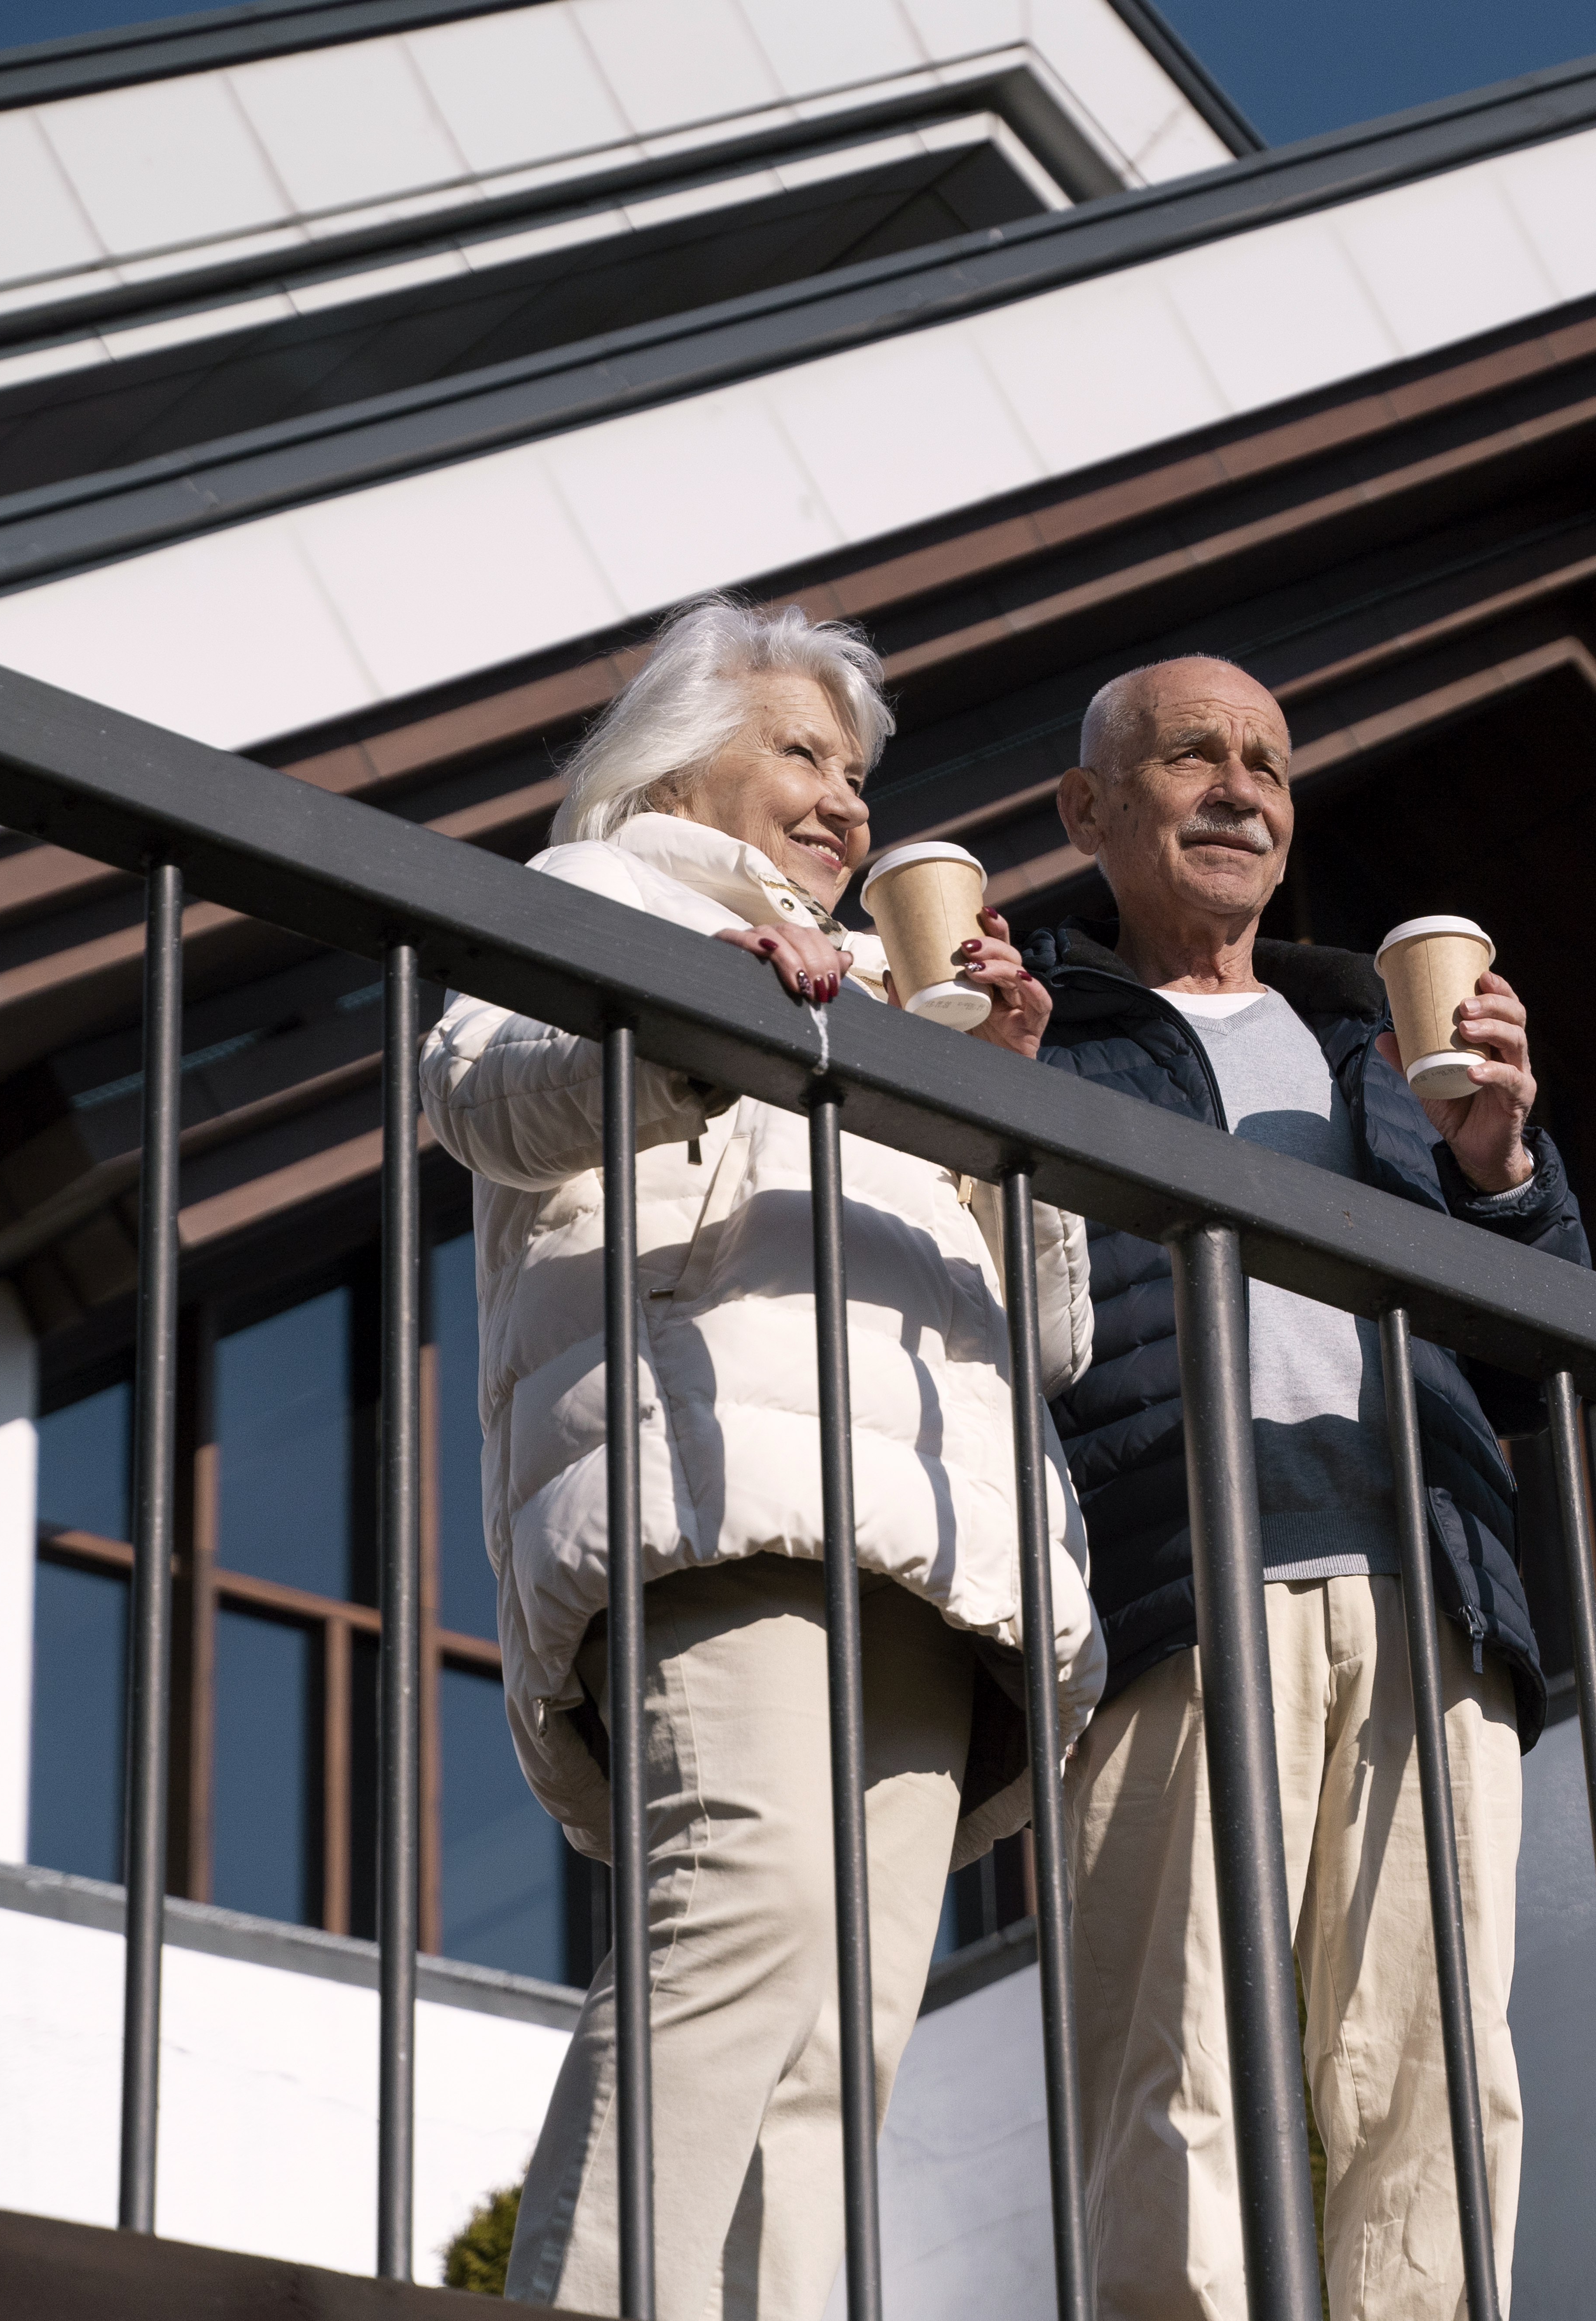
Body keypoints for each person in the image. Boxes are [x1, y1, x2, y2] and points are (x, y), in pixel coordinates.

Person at [421, 595, 1100, 2318]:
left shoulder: (897, 989)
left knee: (842, 2031)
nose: (847, 801)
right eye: (803, 750)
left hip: (935, 1536)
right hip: (714, 1484)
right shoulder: (598, 897)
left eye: (858, 770)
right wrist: (702, 1033)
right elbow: (481, 1103)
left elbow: (1059, 1331)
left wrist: (1009, 1107)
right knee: (742, 1901)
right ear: (680, 757)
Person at [1017, 656, 1591, 2320]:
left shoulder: (1370, 1042)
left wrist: (1499, 1170)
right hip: (1173, 1588)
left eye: (1268, 763)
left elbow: (1516, 1368)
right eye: (1192, 755)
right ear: (1088, 811)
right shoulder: (1042, 1037)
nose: (1241, 788)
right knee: (1180, 2066)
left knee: (1438, 2088)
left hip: (1430, 1589)